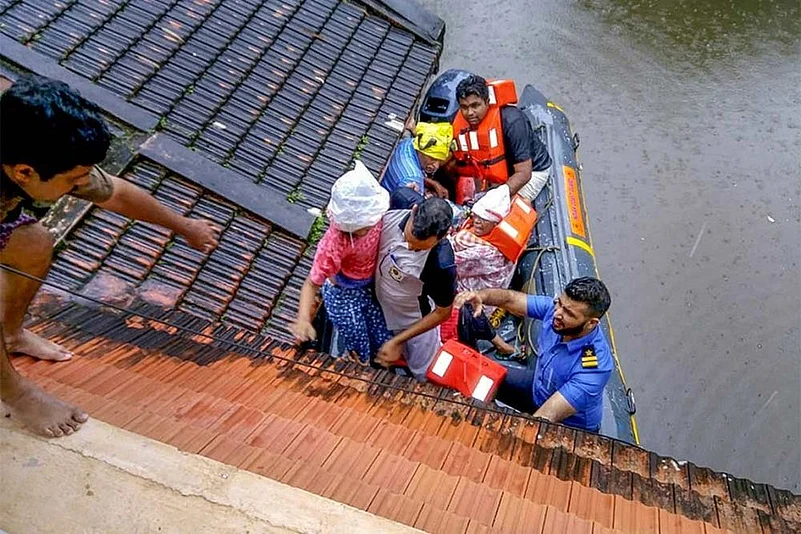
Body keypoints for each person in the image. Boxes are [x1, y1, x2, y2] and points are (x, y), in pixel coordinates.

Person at [0, 75, 219, 437]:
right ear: (24, 172)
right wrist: (19, 394)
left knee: (34, 244)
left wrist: (184, 226)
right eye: (73, 180)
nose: (80, 185)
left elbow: (114, 193)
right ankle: (12, 390)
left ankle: (11, 334)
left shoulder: (31, 135)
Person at [454, 277, 613, 432]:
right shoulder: (555, 310)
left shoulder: (593, 368)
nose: (557, 314)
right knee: (483, 374)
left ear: (591, 323)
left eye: (569, 314)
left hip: (567, 424)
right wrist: (481, 296)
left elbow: (545, 416)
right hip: (538, 388)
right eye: (559, 303)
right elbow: (510, 299)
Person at [291, 161, 392, 365]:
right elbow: (311, 284)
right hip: (342, 294)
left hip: (368, 284)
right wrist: (303, 319)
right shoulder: (334, 244)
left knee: (384, 337)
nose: (366, 230)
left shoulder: (376, 215)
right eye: (361, 228)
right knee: (359, 343)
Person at [373, 189, 456, 380]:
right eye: (409, 238)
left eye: (419, 248)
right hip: (380, 306)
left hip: (414, 321)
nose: (410, 248)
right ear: (413, 210)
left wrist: (399, 340)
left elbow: (443, 313)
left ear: (444, 236)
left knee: (424, 374)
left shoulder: (441, 265)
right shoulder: (400, 199)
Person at [451, 75, 552, 203]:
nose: (470, 113)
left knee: (502, 208)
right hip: (500, 170)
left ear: (487, 102)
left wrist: (496, 198)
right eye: (464, 107)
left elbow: (524, 173)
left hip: (533, 170)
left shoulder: (513, 122)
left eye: (475, 105)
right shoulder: (462, 123)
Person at [444, 185, 517, 355]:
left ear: (496, 223)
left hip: (481, 301)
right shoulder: (501, 242)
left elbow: (451, 265)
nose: (477, 221)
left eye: (484, 219)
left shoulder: (487, 251)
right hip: (485, 288)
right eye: (476, 216)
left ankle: (498, 344)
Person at [381, 122, 453, 199]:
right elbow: (413, 205)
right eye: (433, 159)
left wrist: (434, 184)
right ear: (421, 151)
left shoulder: (410, 143)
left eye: (439, 160)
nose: (436, 166)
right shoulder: (413, 180)